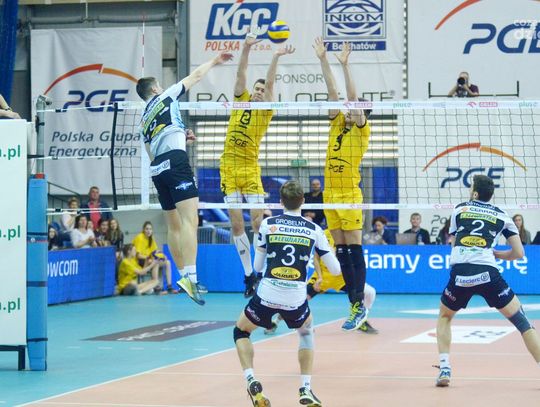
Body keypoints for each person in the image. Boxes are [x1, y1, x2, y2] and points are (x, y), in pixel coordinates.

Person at [136, 51, 232, 305]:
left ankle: (182, 275)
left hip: (158, 169)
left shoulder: (143, 120)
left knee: (174, 226)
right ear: (155, 88)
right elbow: (196, 76)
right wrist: (215, 61)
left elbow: (151, 150)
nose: (161, 87)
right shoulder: (165, 96)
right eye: (159, 85)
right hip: (176, 163)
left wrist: (180, 137)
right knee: (190, 221)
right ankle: (192, 277)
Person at [233, 180, 339, 407]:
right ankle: (306, 388)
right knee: (306, 332)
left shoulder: (268, 224)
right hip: (295, 299)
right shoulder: (314, 229)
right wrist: (332, 251)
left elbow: (258, 266)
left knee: (241, 331)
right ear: (303, 201)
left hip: (267, 293)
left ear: (281, 202)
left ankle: (251, 379)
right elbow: (336, 270)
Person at [435, 175, 540, 387]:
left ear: (474, 192)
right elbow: (519, 253)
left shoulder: (460, 209)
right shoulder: (502, 215)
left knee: (445, 317)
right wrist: (497, 254)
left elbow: (454, 244)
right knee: (522, 321)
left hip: (461, 274)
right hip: (488, 273)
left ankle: (445, 368)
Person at [220, 33, 295, 298]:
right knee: (236, 224)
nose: (260, 92)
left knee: (256, 222)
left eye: (264, 91)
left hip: (250, 168)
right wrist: (246, 47)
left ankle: (261, 271)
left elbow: (271, 82)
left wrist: (275, 56)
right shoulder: (240, 100)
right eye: (258, 89)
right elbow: (241, 72)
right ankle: (249, 275)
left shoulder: (266, 111)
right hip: (229, 167)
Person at [314, 37, 370, 331]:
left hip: (349, 195)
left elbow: (351, 97)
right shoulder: (336, 123)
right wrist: (324, 60)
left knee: (354, 250)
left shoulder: (362, 131)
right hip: (330, 194)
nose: (347, 110)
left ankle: (359, 303)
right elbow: (332, 93)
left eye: (353, 109)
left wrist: (345, 65)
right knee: (342, 252)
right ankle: (354, 305)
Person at [266, 228, 378, 335]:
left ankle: (361, 320)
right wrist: (319, 277)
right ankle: (275, 321)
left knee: (370, 292)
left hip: (342, 278)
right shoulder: (323, 234)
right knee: (298, 300)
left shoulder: (349, 234)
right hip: (323, 277)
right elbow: (316, 258)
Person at [132, 221, 178, 295]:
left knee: (168, 262)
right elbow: (138, 256)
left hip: (150, 260)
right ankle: (156, 286)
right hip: (141, 261)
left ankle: (169, 287)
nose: (148, 231)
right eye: (147, 229)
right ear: (143, 230)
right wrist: (149, 257)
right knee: (155, 262)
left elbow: (156, 252)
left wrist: (163, 256)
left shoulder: (151, 239)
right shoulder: (140, 237)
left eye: (150, 229)